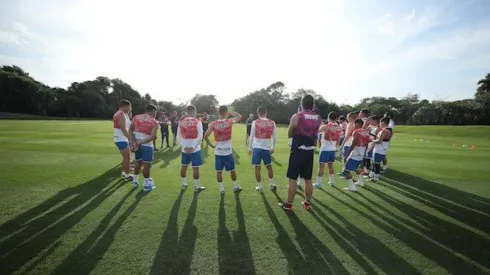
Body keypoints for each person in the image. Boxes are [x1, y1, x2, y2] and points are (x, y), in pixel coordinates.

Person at [279, 95, 322, 211]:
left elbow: (289, 133)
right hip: (310, 152)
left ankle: (288, 204)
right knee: (308, 179)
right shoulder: (318, 118)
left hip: (298, 151)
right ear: (313, 105)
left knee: (292, 179)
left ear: (301, 104)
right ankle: (307, 203)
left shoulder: (297, 116)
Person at [204, 106, 243, 195]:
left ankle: (221, 189)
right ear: (226, 112)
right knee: (232, 170)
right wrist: (231, 111)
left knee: (219, 172)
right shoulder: (229, 121)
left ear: (218, 112)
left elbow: (205, 135)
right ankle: (235, 186)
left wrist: (211, 145)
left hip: (218, 152)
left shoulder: (213, 123)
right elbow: (239, 117)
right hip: (228, 152)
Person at [130, 104, 159, 191]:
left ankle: (135, 182)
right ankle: (146, 185)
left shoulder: (136, 117)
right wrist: (141, 142)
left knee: (138, 163)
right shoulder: (154, 122)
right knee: (147, 165)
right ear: (154, 112)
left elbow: (130, 131)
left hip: (137, 144)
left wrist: (134, 142)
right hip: (147, 145)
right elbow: (152, 136)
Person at [248, 106, 277, 192]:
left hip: (257, 148)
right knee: (269, 167)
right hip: (266, 148)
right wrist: (273, 147)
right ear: (266, 112)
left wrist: (249, 148)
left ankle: (259, 186)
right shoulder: (272, 122)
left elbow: (252, 136)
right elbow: (274, 137)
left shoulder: (255, 122)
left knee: (257, 168)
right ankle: (271, 184)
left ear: (258, 113)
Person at [177, 105, 206, 192]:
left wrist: (184, 146)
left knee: (184, 166)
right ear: (194, 112)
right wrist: (193, 147)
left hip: (184, 149)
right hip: (195, 149)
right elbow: (200, 136)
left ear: (187, 112)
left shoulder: (181, 122)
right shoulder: (197, 122)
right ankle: (197, 187)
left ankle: (183, 184)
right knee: (195, 168)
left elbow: (178, 136)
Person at [314, 112, 342, 188]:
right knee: (330, 166)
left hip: (325, 149)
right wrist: (336, 147)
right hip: (332, 149)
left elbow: (315, 131)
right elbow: (339, 140)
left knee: (321, 166)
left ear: (328, 117)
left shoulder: (326, 126)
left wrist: (321, 124)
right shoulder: (339, 127)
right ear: (336, 118)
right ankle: (332, 182)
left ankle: (318, 183)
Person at [343, 118, 370, 191]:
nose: (354, 125)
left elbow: (353, 143)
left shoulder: (356, 132)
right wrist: (364, 155)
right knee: (355, 168)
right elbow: (367, 144)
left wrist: (347, 155)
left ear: (358, 124)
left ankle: (352, 187)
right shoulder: (367, 132)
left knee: (346, 170)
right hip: (361, 153)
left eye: (355, 124)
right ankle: (360, 182)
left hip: (355, 153)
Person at [113, 100, 133, 180]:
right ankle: (127, 175)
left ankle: (124, 172)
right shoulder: (121, 114)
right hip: (121, 138)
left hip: (121, 138)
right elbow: (123, 129)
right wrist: (130, 139)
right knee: (127, 157)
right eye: (129, 107)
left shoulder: (122, 113)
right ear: (124, 106)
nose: (129, 109)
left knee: (126, 157)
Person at [369, 117, 392, 182]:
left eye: (380, 122)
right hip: (382, 149)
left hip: (379, 149)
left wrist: (372, 140)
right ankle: (372, 175)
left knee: (376, 164)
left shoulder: (384, 131)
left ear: (383, 122)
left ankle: (376, 178)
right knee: (375, 163)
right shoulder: (389, 130)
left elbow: (379, 141)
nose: (380, 124)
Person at [338, 112, 358, 177]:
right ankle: (345, 172)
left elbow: (347, 135)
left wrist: (342, 145)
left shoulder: (350, 124)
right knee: (350, 159)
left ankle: (345, 173)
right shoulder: (358, 124)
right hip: (354, 144)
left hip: (348, 143)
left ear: (350, 117)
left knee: (345, 159)